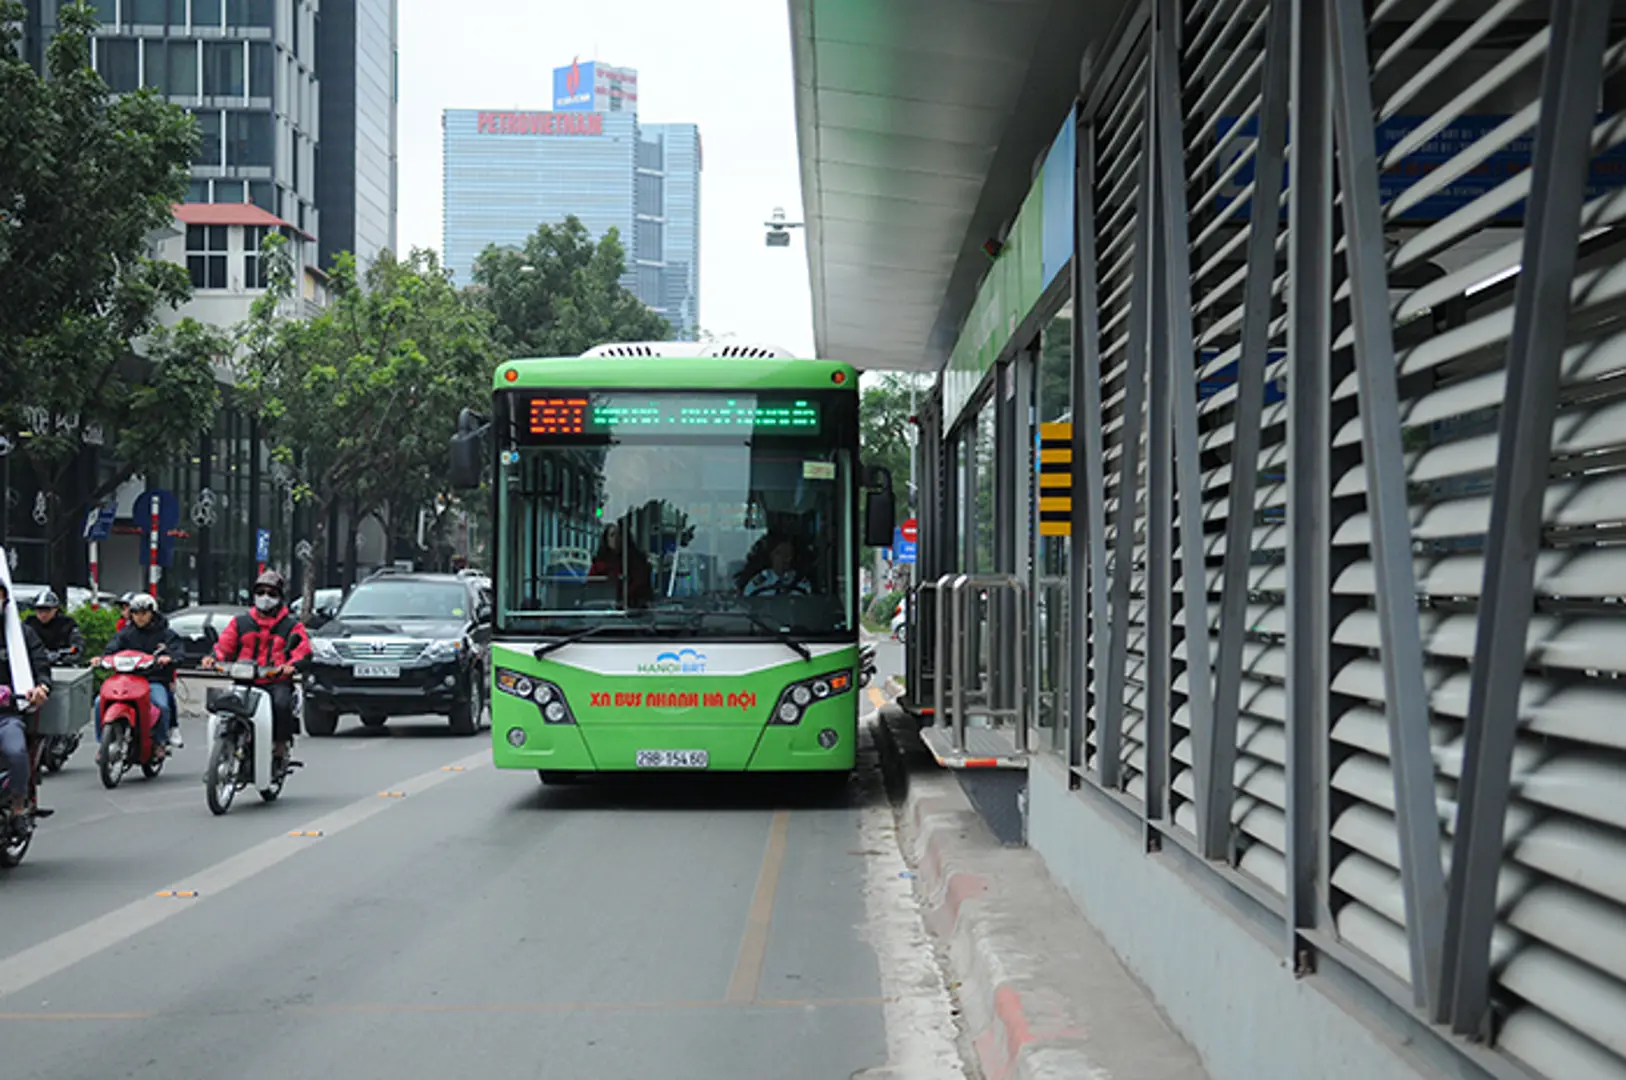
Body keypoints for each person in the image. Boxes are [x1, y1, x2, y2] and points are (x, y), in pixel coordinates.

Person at [203, 570, 310, 768]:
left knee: (281, 704)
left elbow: (303, 651)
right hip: (243, 680)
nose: (265, 598)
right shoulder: (240, 623)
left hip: (274, 681)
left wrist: (290, 666)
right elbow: (224, 646)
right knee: (223, 705)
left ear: (280, 597)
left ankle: (279, 747)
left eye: (271, 593)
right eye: (260, 592)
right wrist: (213, 658)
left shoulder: (291, 626)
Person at [0, 577, 52, 834]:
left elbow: (40, 664)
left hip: (7, 714)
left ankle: (18, 807)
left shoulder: (21, 636)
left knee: (16, 751)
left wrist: (41, 686)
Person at [99, 593, 182, 751]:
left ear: (152, 613)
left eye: (144, 613)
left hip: (153, 680)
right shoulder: (125, 633)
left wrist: (169, 658)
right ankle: (102, 742)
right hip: (125, 679)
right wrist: (102, 658)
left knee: (162, 706)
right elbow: (111, 649)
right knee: (98, 702)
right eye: (136, 613)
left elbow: (178, 652)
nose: (140, 617)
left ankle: (160, 742)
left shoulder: (165, 634)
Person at [589, 522, 653, 608]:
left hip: (635, 610)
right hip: (605, 610)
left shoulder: (638, 561)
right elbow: (591, 588)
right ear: (606, 539)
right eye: (612, 535)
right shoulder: (599, 565)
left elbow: (642, 587)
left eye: (619, 535)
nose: (616, 539)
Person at [739, 533, 813, 597]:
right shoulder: (759, 582)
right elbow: (747, 604)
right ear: (771, 556)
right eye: (780, 553)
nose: (785, 558)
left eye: (788, 553)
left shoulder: (801, 583)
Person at [25, 590, 85, 661]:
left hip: (63, 666)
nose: (43, 614)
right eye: (40, 610)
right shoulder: (29, 624)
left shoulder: (67, 624)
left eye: (47, 610)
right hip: (35, 664)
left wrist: (62, 654)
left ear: (55, 609)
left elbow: (77, 646)